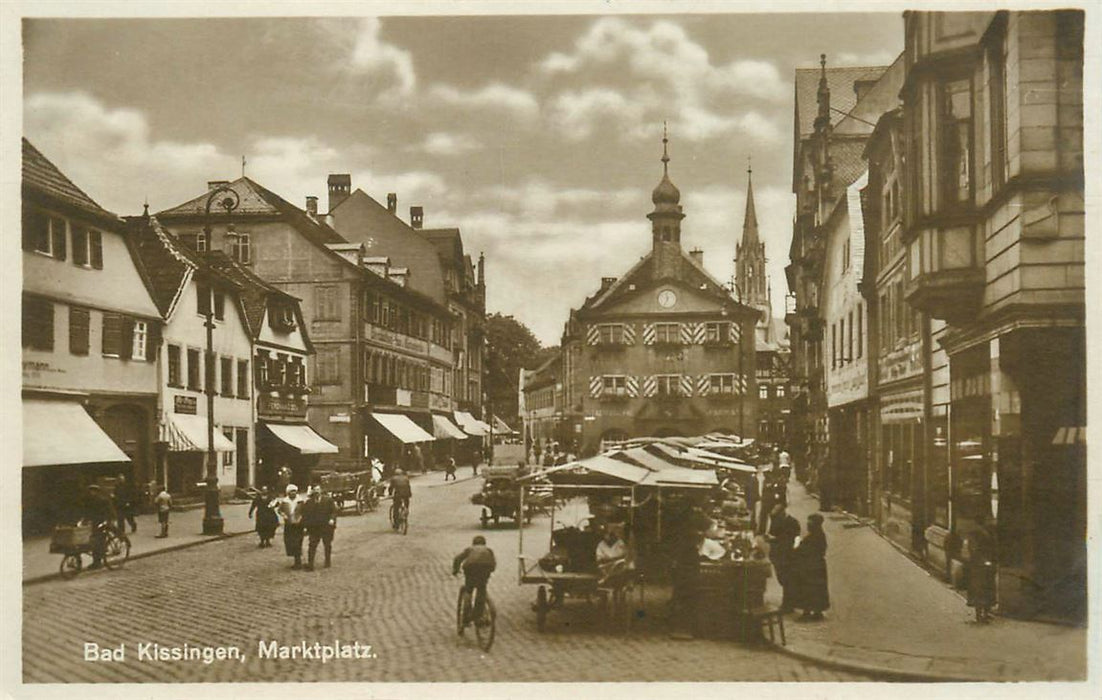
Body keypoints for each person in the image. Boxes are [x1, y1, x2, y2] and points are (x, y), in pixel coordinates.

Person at [792, 512, 830, 621]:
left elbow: (806, 551)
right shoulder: (818, 535)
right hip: (818, 567)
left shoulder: (815, 537)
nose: (808, 525)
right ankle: (817, 611)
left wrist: (797, 546)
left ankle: (807, 612)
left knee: (808, 589)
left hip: (811, 568)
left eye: (810, 523)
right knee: (817, 590)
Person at [453, 535, 497, 624]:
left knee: (469, 589)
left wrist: (455, 570)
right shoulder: (488, 550)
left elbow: (458, 559)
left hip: (470, 569)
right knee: (481, 589)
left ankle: (466, 616)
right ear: (484, 543)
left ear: (473, 543)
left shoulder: (470, 549)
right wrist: (489, 572)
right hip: (485, 568)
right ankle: (478, 615)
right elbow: (493, 562)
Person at [766, 503, 801, 612]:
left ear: (782, 512)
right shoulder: (776, 519)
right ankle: (789, 603)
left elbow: (791, 538)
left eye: (776, 511)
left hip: (786, 555)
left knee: (787, 580)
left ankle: (788, 605)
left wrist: (774, 539)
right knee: (782, 579)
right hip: (777, 554)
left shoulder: (792, 522)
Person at [965, 514, 996, 623]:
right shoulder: (975, 534)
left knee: (987, 589)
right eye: (988, 519)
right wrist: (983, 560)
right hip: (978, 566)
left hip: (987, 565)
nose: (990, 521)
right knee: (979, 589)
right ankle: (979, 615)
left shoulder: (990, 532)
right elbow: (973, 549)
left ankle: (986, 613)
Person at [271, 484, 307, 569]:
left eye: (294, 491)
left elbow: (305, 511)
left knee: (298, 542)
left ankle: (298, 561)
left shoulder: (300, 501)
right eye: (291, 492)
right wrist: (284, 515)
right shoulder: (285, 501)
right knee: (290, 542)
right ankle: (296, 560)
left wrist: (301, 517)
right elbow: (280, 510)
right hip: (289, 525)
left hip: (299, 525)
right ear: (288, 493)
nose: (293, 493)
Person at [302, 485, 338, 570]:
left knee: (327, 544)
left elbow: (334, 511)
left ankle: (327, 561)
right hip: (314, 528)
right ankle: (310, 564)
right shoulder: (309, 502)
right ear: (313, 491)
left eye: (318, 489)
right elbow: (306, 515)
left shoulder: (328, 500)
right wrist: (305, 527)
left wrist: (332, 519)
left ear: (321, 490)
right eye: (315, 490)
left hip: (326, 527)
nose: (317, 492)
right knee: (312, 545)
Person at [83, 484, 116, 569]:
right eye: (90, 491)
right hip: (95, 523)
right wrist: (85, 520)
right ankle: (96, 562)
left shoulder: (103, 500)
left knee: (99, 541)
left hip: (103, 523)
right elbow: (88, 512)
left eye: (93, 491)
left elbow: (110, 510)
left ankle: (98, 561)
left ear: (97, 492)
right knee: (94, 542)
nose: (91, 493)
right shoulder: (90, 500)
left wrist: (110, 520)